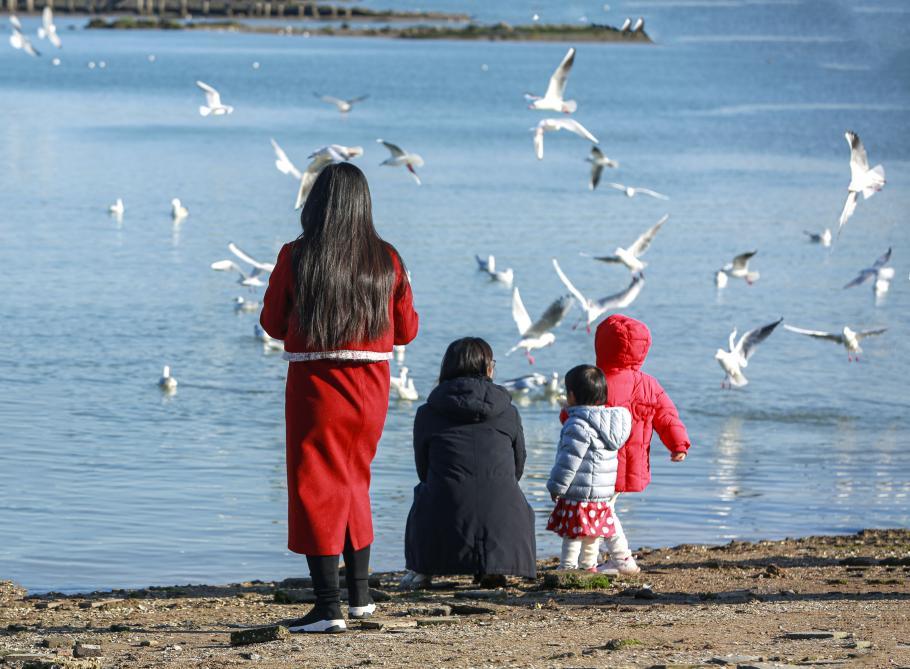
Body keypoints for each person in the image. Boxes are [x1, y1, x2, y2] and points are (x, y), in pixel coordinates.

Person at [259, 163, 419, 633]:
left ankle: (328, 607)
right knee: (354, 481)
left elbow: (272, 322)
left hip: (316, 385)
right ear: (364, 204)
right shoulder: (387, 258)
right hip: (372, 386)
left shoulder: (297, 255)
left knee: (315, 485)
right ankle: (360, 599)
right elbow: (406, 330)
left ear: (316, 203)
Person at [403, 337, 536, 586]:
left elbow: (424, 470)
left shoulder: (427, 412)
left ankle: (426, 567)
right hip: (506, 524)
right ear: (488, 368)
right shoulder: (508, 411)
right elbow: (517, 466)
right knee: (505, 492)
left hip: (446, 517)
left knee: (426, 493)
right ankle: (492, 567)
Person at [570, 314, 691, 576]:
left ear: (601, 345)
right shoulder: (649, 385)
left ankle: (619, 558)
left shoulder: (597, 383)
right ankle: (596, 561)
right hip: (632, 464)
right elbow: (667, 416)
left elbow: (578, 416)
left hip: (599, 464)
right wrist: (678, 445)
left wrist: (565, 417)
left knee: (601, 509)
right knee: (602, 508)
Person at [546, 365, 631, 570]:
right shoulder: (611, 424)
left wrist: (556, 487)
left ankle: (567, 567)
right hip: (602, 493)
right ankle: (588, 566)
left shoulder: (577, 424)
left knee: (573, 534)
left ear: (572, 396)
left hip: (580, 493)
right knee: (593, 532)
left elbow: (568, 461)